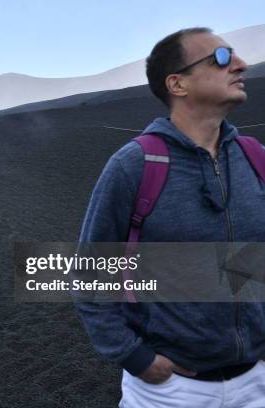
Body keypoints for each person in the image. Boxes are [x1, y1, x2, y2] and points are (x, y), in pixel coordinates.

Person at [76, 27, 265, 407]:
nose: (241, 65)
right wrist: (137, 359)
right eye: (222, 58)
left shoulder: (254, 156)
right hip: (171, 391)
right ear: (177, 84)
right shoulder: (134, 165)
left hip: (256, 381)